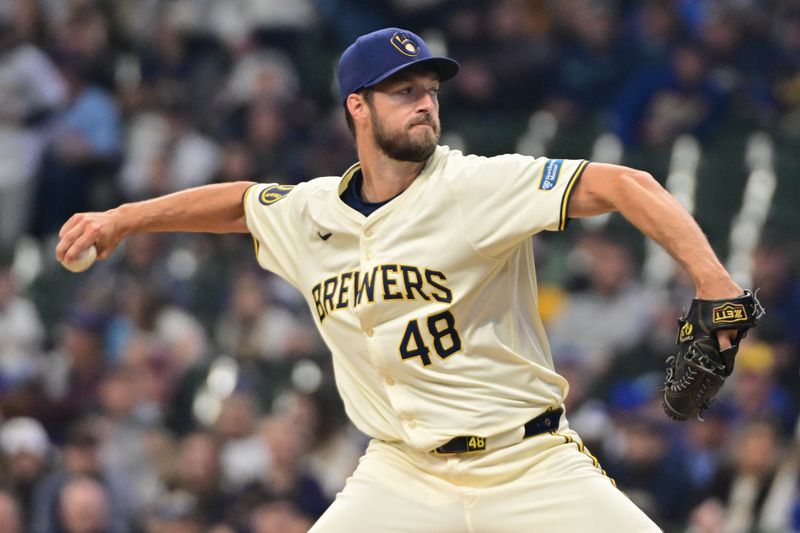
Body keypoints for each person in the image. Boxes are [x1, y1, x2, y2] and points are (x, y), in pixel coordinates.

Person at [56, 27, 747, 532]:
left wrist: (713, 282)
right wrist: (123, 218)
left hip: (526, 463)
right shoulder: (312, 212)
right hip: (402, 474)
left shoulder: (475, 185)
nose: (425, 103)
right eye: (404, 91)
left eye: (430, 91)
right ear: (357, 106)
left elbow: (626, 184)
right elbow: (240, 203)